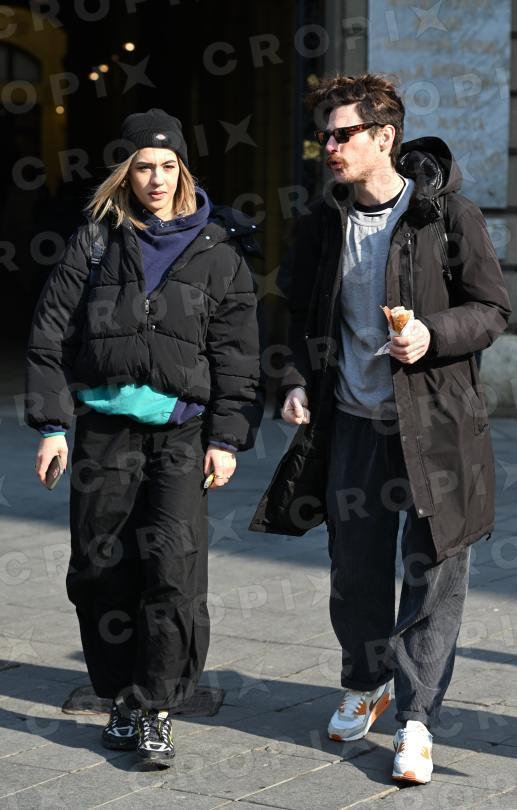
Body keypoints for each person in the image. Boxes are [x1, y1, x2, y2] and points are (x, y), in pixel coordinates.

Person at [250, 74, 510, 785]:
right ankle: (366, 682)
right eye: (324, 136)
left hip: (437, 428)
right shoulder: (323, 220)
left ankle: (416, 717)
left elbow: (492, 308)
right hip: (354, 424)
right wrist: (294, 380)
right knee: (355, 571)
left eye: (343, 134)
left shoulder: (445, 215)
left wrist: (432, 333)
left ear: (384, 137)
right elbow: (297, 313)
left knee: (434, 573)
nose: (329, 147)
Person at [26, 109, 263, 766]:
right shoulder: (95, 242)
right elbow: (49, 334)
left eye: (166, 166)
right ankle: (120, 697)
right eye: (142, 167)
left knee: (173, 571)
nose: (155, 179)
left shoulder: (218, 249)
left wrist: (226, 438)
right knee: (99, 568)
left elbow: (238, 352)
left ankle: (157, 704)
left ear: (182, 170)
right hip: (103, 430)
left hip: (181, 435)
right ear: (125, 174)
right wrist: (52, 426)